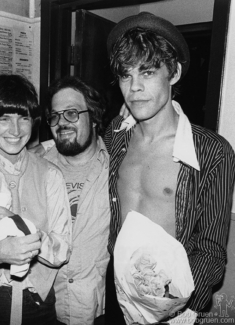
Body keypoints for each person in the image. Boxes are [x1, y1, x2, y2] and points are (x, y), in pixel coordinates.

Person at [104, 12, 235, 324]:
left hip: (174, 305)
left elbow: (212, 249)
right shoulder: (114, 137)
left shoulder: (212, 151)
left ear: (173, 73)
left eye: (147, 73)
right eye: (126, 75)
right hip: (115, 292)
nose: (134, 88)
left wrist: (180, 307)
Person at [0, 73, 71, 325]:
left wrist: (19, 224)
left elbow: (61, 251)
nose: (16, 130)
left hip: (37, 302)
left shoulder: (50, 175)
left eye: (24, 118)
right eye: (4, 118)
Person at [38, 76, 110, 325]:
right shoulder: (36, 169)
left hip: (97, 310)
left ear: (94, 116)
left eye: (71, 113)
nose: (62, 123)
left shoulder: (117, 167)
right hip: (43, 308)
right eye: (55, 116)